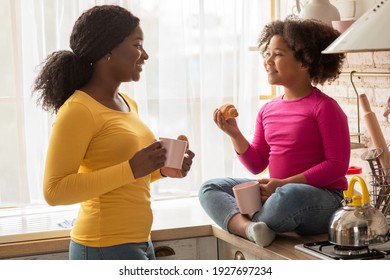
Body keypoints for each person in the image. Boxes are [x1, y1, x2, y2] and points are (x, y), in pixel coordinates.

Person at [33, 5, 195, 260]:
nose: (145, 55)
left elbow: (125, 177)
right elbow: (54, 191)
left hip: (140, 241)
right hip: (102, 246)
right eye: (137, 45)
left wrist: (161, 170)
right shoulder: (78, 110)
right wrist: (131, 168)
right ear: (108, 50)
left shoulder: (129, 103)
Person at [198, 16, 349, 247]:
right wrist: (235, 134)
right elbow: (257, 164)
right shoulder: (267, 109)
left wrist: (283, 184)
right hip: (276, 194)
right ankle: (251, 228)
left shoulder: (325, 107)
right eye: (267, 53)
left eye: (277, 54)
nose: (267, 60)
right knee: (210, 188)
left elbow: (337, 165)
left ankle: (251, 219)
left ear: (304, 62)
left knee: (290, 195)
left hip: (321, 199)